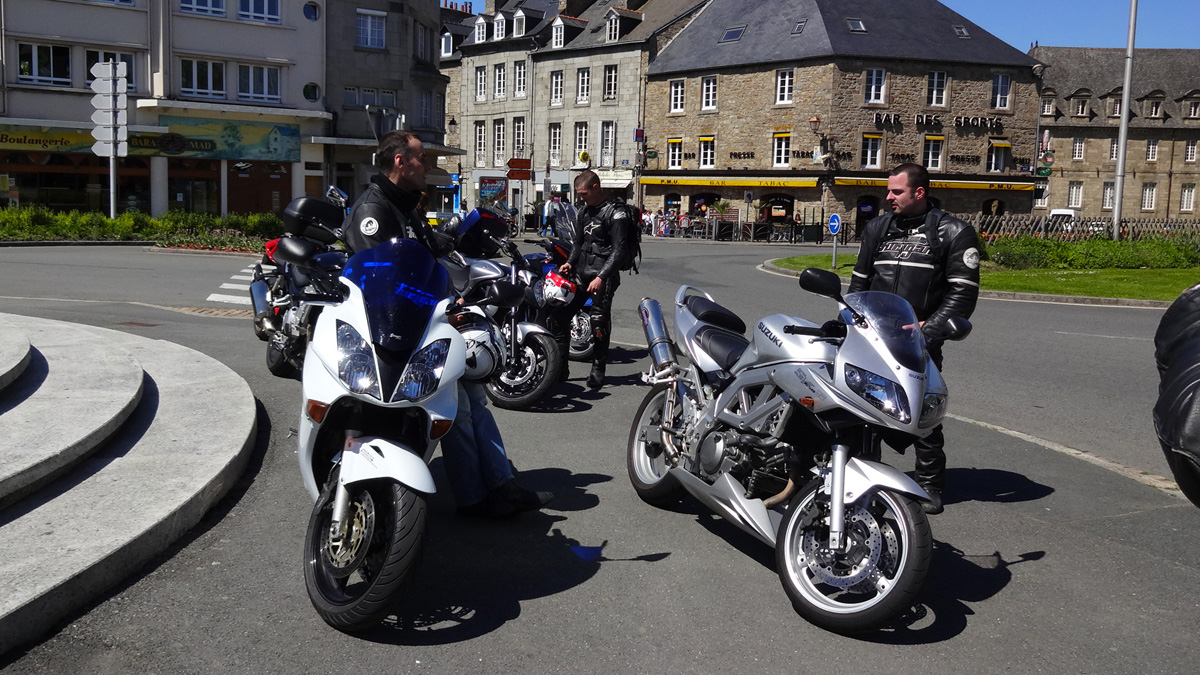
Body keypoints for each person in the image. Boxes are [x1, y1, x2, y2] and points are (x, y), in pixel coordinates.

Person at [344, 130, 552, 518]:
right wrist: (435, 302)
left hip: (425, 324)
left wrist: (460, 248)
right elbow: (380, 281)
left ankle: (496, 487)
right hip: (392, 337)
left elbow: (427, 254)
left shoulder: (405, 207)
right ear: (400, 162)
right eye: (421, 158)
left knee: (473, 398)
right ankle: (480, 495)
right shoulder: (373, 211)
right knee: (459, 405)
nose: (428, 165)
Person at [847, 162, 980, 515]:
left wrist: (928, 330)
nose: (888, 197)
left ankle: (930, 483)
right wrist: (850, 320)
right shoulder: (877, 228)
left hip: (919, 340)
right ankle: (866, 476)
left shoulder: (954, 232)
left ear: (919, 192)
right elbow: (859, 283)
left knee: (922, 409)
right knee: (864, 406)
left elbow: (963, 294)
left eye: (897, 191)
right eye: (888, 190)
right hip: (872, 336)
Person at [557, 170, 630, 389]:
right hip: (582, 272)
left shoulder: (616, 212)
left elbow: (619, 250)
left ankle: (598, 369)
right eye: (579, 194)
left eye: (584, 194)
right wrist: (570, 262)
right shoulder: (583, 211)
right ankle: (560, 367)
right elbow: (578, 243)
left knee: (598, 321)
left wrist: (601, 277)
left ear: (596, 188)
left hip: (603, 274)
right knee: (560, 316)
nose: (580, 198)